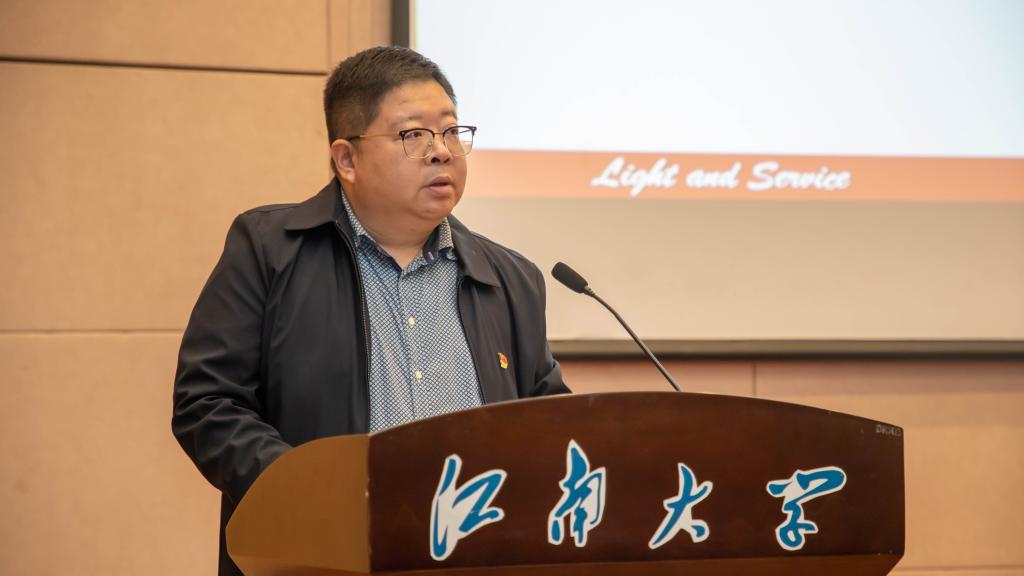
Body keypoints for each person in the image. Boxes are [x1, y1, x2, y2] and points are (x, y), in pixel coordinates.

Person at [171, 46, 569, 576]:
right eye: (413, 135)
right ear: (347, 159)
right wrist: (314, 493)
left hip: (479, 557)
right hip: (318, 556)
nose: (441, 152)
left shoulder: (511, 278)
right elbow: (208, 403)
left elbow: (550, 423)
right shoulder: (270, 251)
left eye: (451, 131)